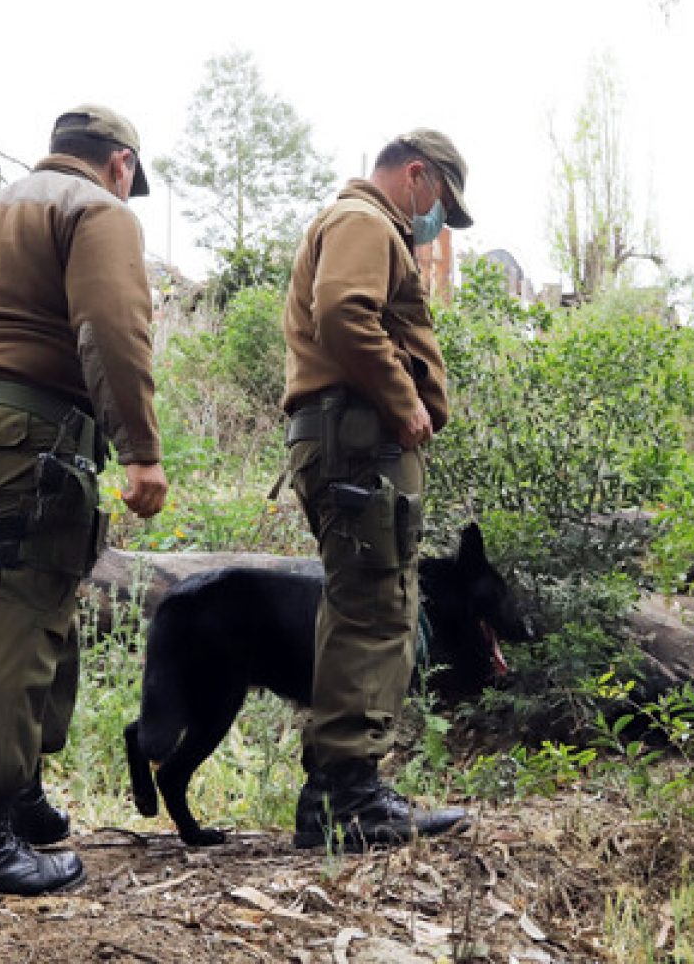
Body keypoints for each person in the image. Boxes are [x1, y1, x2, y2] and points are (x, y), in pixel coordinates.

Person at [0, 104, 168, 900]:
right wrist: (141, 452)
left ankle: (18, 793)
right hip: (29, 436)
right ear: (119, 163)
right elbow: (111, 328)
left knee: (43, 605)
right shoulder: (98, 211)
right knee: (18, 623)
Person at [281, 129, 474, 850]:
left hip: (351, 441)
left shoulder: (360, 223)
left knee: (368, 600)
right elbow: (344, 313)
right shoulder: (364, 221)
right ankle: (346, 798)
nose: (437, 226)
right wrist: (403, 399)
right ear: (417, 176)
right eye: (441, 207)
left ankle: (342, 788)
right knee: (376, 607)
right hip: (358, 439)